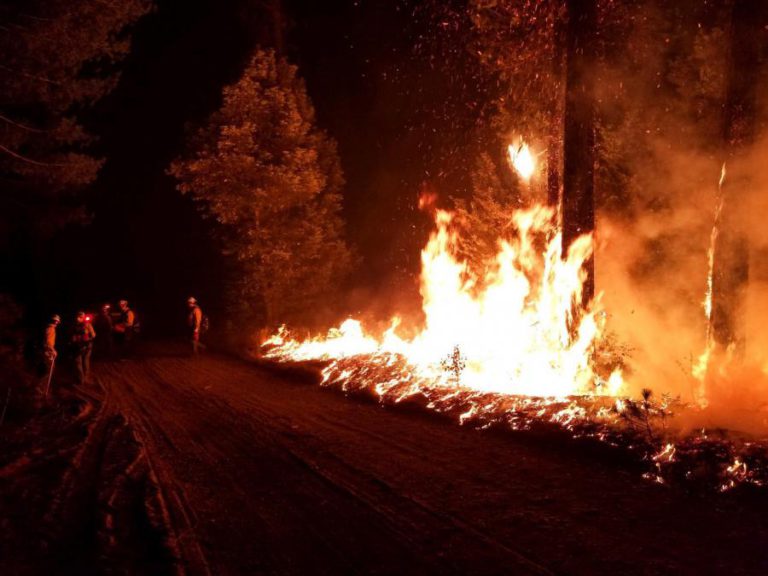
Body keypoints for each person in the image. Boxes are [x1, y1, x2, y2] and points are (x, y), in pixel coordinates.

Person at [71, 311, 96, 384]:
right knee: (83, 361)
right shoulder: (86, 325)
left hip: (84, 345)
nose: (78, 318)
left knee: (81, 361)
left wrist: (86, 339)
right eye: (78, 317)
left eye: (80, 317)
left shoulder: (82, 325)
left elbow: (93, 335)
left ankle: (82, 378)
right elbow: (93, 335)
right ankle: (84, 378)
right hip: (82, 345)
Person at [41, 314, 60, 393]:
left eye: (57, 321)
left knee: (44, 369)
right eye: (55, 321)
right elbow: (48, 342)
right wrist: (53, 351)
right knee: (48, 370)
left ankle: (39, 386)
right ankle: (41, 388)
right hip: (47, 352)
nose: (56, 323)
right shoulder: (51, 329)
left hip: (46, 350)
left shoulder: (48, 328)